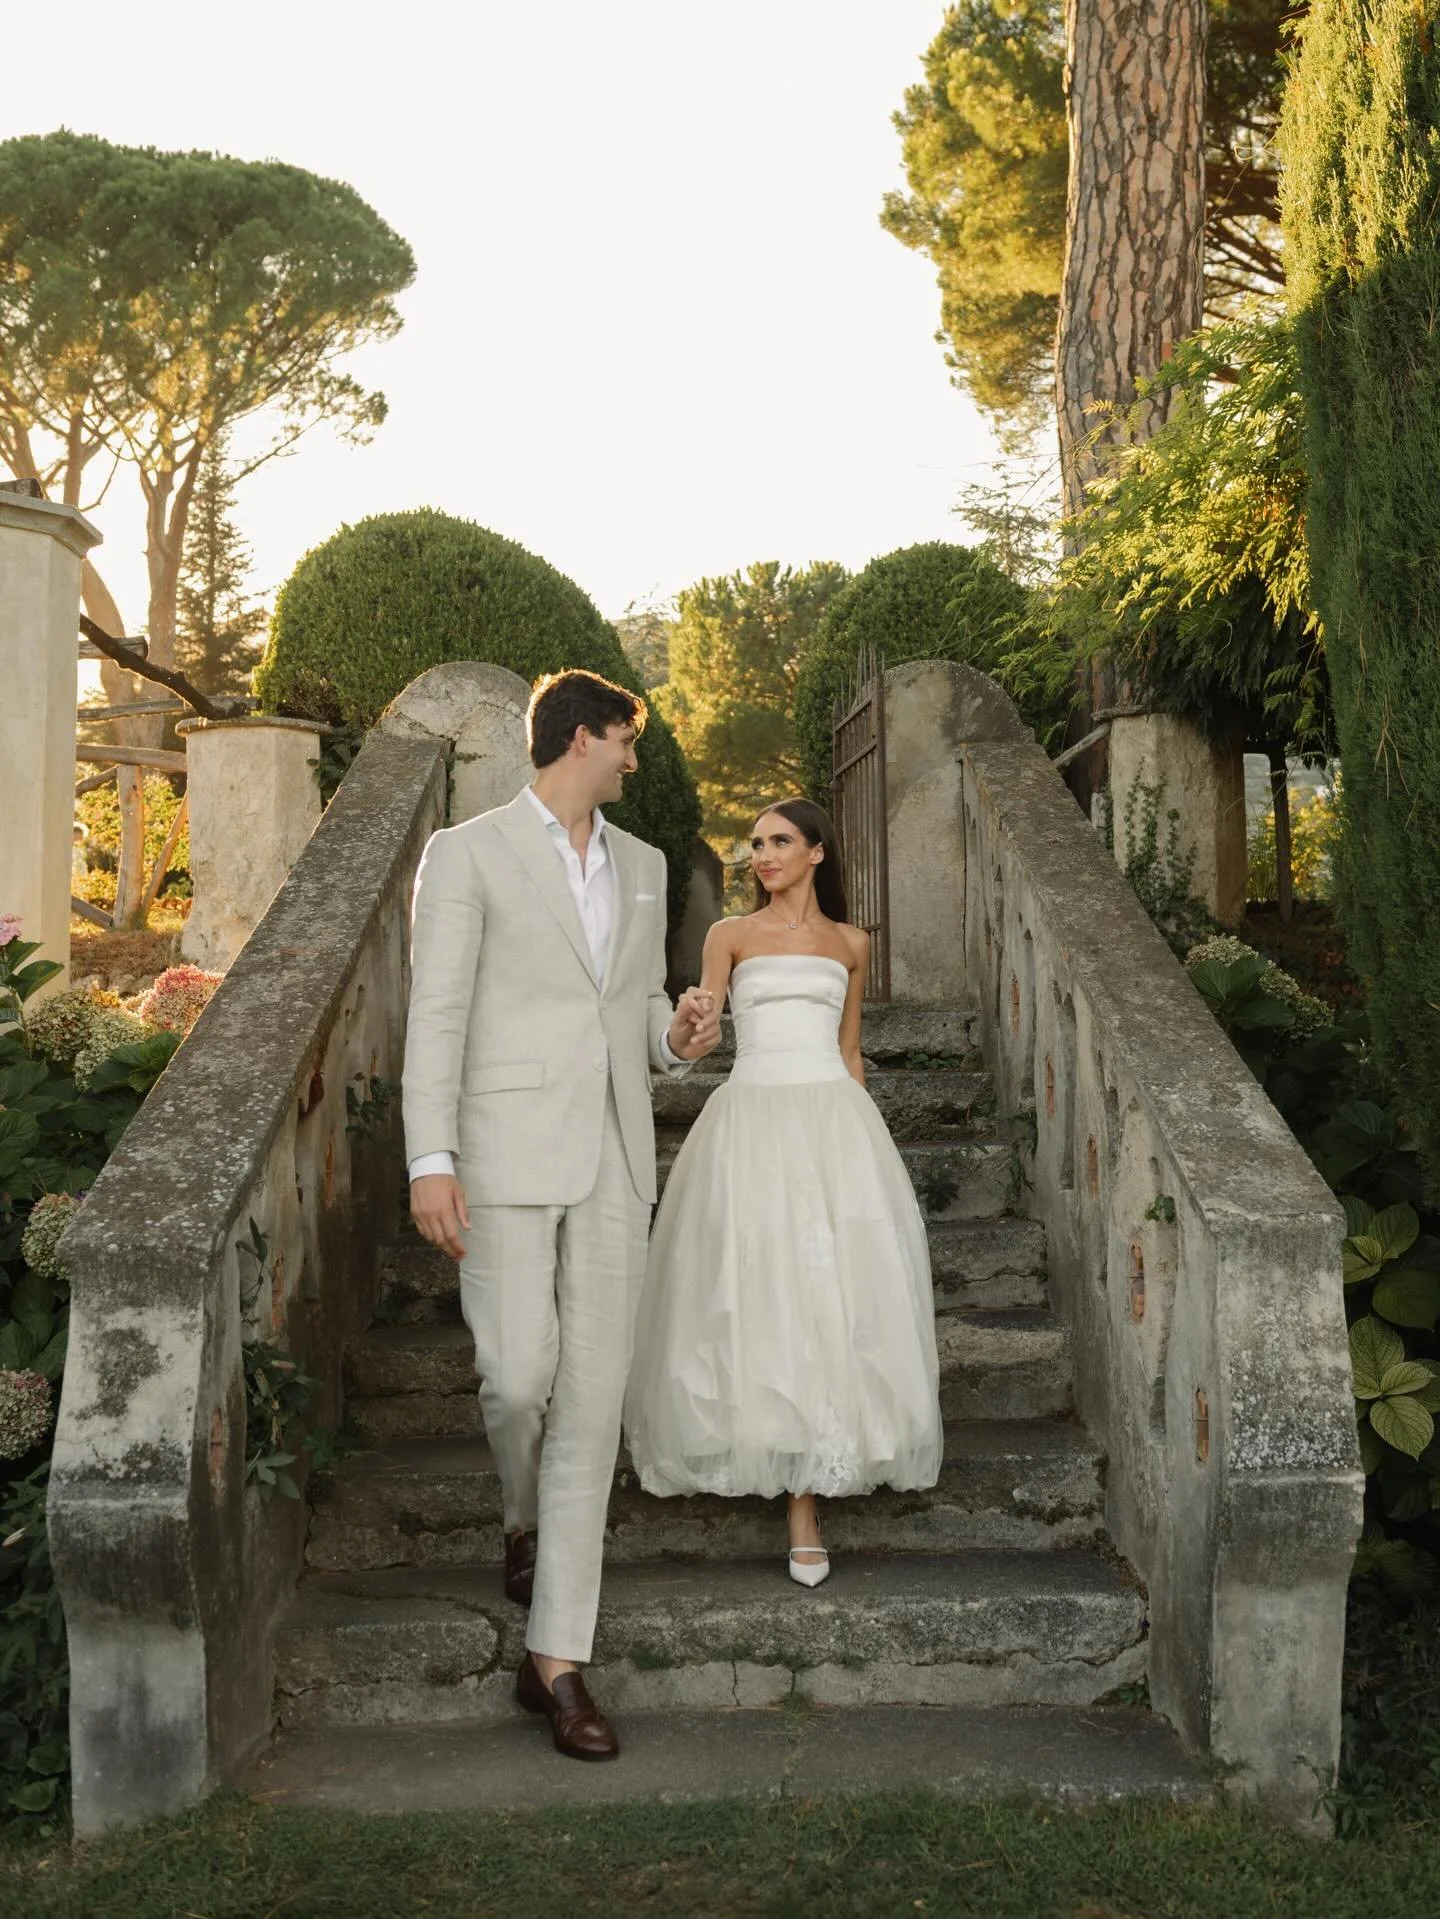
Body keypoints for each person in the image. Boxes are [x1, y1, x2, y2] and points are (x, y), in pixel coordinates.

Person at [402, 669, 719, 1762]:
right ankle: (520, 1515)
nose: (634, 758)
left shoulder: (646, 864)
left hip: (617, 1155)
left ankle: (556, 1661)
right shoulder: (467, 853)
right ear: (582, 737)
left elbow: (633, 1007)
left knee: (592, 1399)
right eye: (626, 739)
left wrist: (675, 1037)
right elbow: (437, 1013)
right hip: (502, 1150)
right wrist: (431, 1159)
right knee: (516, 1374)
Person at [624, 798, 942, 1587]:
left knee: (831, 1296)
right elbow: (700, 1035)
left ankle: (808, 1501)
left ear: (816, 852)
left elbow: (851, 1050)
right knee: (759, 1291)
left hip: (833, 1123)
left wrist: (862, 1148)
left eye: (779, 841)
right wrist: (691, 1023)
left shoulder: (851, 943)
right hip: (751, 1121)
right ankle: (768, 1448)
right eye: (756, 843)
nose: (762, 854)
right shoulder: (729, 935)